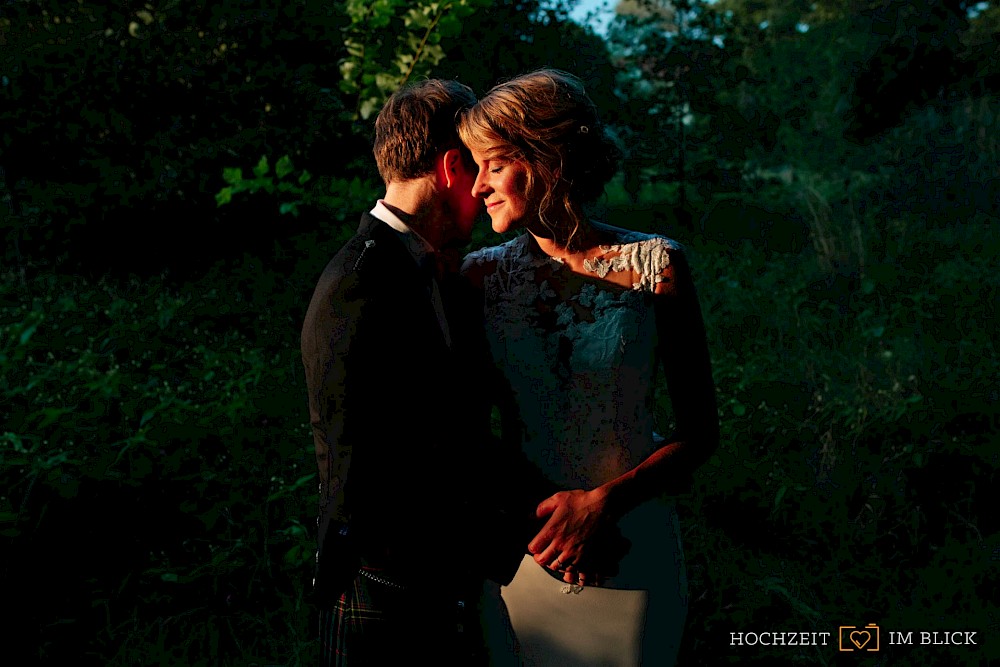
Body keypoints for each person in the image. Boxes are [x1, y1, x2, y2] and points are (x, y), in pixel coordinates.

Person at [458, 69, 720, 666]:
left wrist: (605, 503)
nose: (476, 188)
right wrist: (548, 517)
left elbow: (701, 431)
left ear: (545, 157)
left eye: (492, 164)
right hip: (528, 550)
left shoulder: (657, 265)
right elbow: (464, 434)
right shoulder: (478, 278)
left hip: (632, 546)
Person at [301, 78, 555, 666]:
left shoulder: (439, 267)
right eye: (479, 168)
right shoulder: (359, 284)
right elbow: (355, 466)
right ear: (448, 168)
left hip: (447, 583)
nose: (486, 187)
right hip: (387, 594)